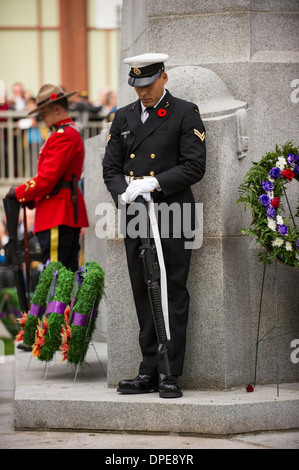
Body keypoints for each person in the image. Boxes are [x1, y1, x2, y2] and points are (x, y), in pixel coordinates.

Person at [102, 53, 206, 398]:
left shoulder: (184, 112)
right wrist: (126, 192)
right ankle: (148, 368)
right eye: (137, 86)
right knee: (143, 289)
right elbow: (111, 169)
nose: (142, 92)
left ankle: (170, 372)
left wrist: (154, 182)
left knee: (171, 290)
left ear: (164, 77)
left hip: (172, 211)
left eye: (148, 84)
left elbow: (194, 167)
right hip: (136, 214)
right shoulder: (123, 117)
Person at [5, 84, 89, 272]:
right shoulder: (63, 133)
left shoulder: (63, 135)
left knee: (54, 277)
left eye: (43, 112)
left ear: (57, 109)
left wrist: (19, 193)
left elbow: (47, 179)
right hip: (61, 210)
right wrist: (31, 199)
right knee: (64, 278)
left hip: (57, 212)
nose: (41, 117)